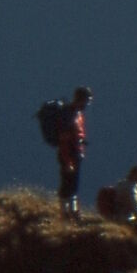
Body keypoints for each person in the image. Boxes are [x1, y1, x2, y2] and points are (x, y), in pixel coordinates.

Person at [49, 85, 92, 218]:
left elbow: (77, 134)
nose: (88, 103)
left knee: (73, 183)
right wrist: (67, 161)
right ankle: (65, 212)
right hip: (68, 154)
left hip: (76, 153)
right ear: (81, 99)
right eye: (87, 100)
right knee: (67, 183)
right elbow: (64, 141)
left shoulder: (77, 113)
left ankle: (73, 211)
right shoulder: (68, 114)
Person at [96, 162, 137, 239]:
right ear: (136, 175)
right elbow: (135, 206)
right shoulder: (130, 189)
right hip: (123, 218)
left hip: (119, 216)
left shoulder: (127, 184)